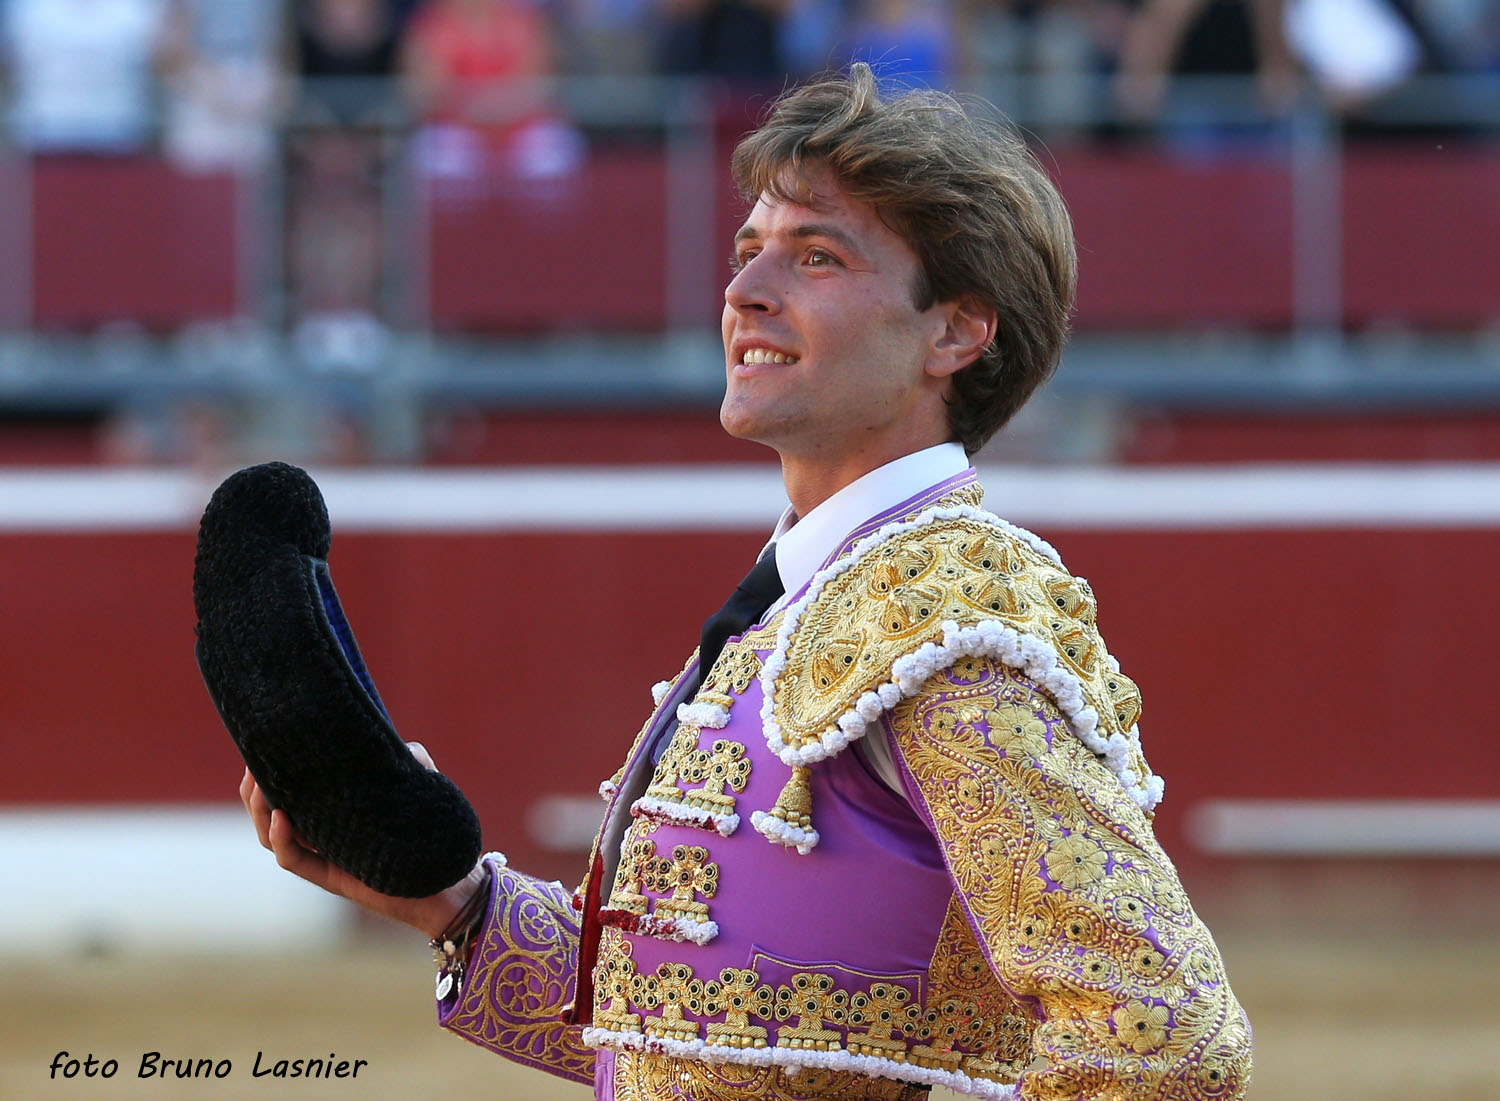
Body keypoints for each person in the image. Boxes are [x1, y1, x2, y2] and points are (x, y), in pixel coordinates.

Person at [241, 63, 1253, 1100]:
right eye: (747, 252)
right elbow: (689, 1034)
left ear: (956, 331)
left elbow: (1163, 1036)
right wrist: (454, 904)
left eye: (817, 258)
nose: (744, 292)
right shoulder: (806, 602)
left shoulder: (951, 626)